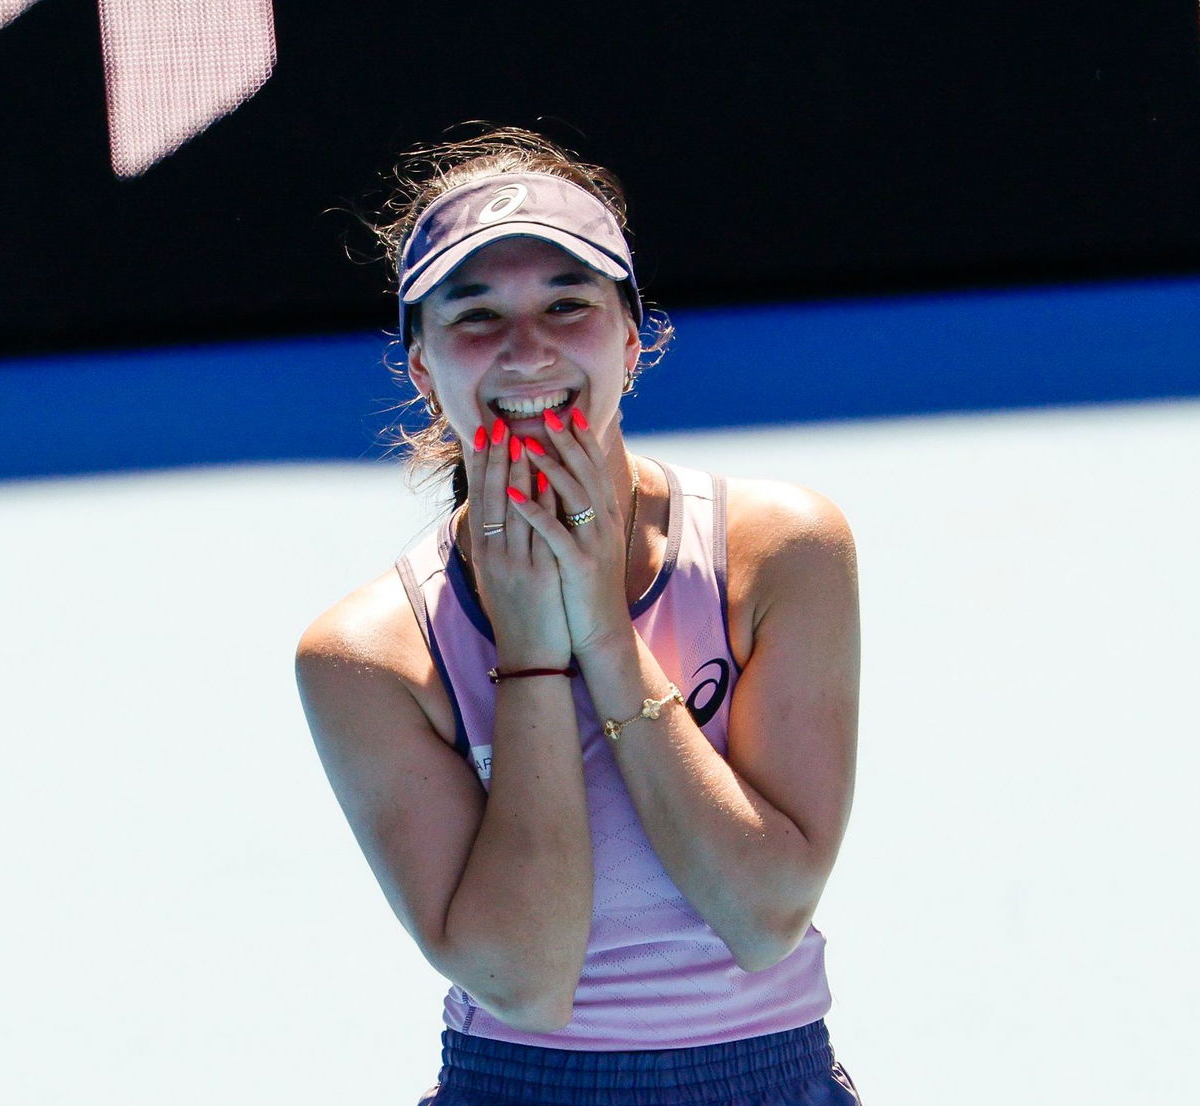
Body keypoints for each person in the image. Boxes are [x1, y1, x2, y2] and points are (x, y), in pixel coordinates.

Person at [296, 128, 862, 1105]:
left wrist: (603, 631)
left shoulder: (782, 550)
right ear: (424, 370)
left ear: (632, 340)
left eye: (567, 303)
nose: (528, 349)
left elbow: (762, 914)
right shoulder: (366, 654)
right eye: (475, 314)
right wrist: (530, 656)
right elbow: (526, 979)